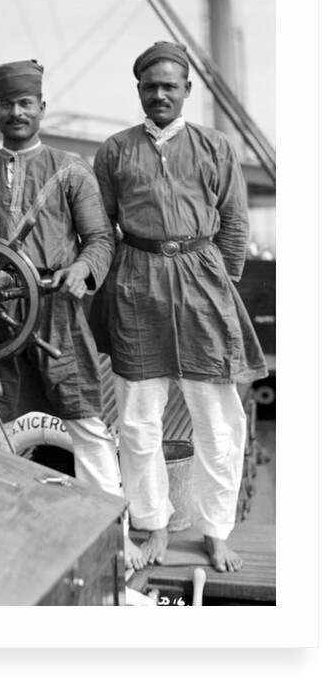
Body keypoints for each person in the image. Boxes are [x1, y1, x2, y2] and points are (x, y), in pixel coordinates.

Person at [0, 58, 145, 570]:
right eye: (7, 104)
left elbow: (99, 239)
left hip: (57, 312)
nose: (16, 112)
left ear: (41, 107)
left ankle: (115, 538)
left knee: (88, 420)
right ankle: (3, 534)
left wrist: (82, 271)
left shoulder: (72, 170)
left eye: (26, 103)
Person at [91, 41, 268, 573]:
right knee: (139, 420)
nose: (161, 94)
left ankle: (216, 531)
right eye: (151, 86)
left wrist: (219, 285)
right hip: (137, 285)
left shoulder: (214, 147)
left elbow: (235, 225)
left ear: (187, 90)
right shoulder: (115, 151)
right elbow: (101, 227)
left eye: (171, 86)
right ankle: (155, 524)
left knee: (219, 420)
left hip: (201, 284)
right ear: (139, 91)